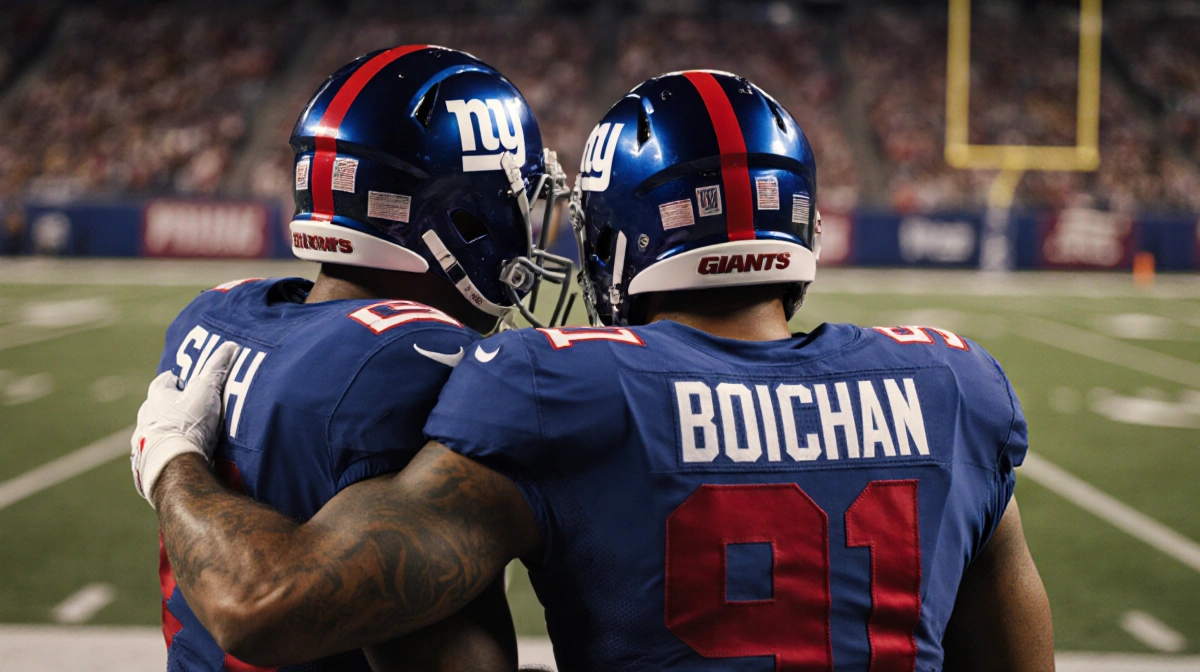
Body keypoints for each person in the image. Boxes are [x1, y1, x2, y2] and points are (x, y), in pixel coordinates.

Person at [134, 70, 1054, 671]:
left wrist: (175, 457)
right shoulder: (956, 388)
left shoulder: (558, 384)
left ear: (614, 238)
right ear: (801, 231)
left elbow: (270, 603)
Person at [129, 44, 574, 672]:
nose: (526, 225)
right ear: (464, 217)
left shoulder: (214, 314)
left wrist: (172, 461)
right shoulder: (416, 357)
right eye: (517, 202)